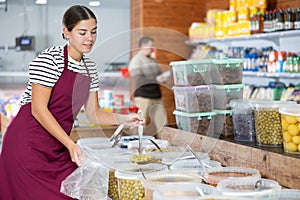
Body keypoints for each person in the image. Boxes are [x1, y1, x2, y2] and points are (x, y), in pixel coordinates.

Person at [0, 5, 143, 200]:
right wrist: (71, 144)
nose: (89, 38)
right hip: (28, 146)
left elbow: (94, 113)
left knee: (73, 193)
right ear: (66, 31)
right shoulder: (49, 60)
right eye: (82, 32)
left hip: (58, 146)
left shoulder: (90, 68)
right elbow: (38, 110)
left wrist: (124, 119)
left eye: (93, 32)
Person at [128, 36, 171, 136]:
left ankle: (166, 147)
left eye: (152, 46)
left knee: (163, 124)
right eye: (150, 46)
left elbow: (158, 76)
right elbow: (138, 81)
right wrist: (156, 79)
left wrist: (163, 78)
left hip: (157, 96)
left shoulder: (153, 60)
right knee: (139, 124)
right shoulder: (136, 61)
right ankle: (135, 147)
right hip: (143, 97)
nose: (152, 48)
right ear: (143, 46)